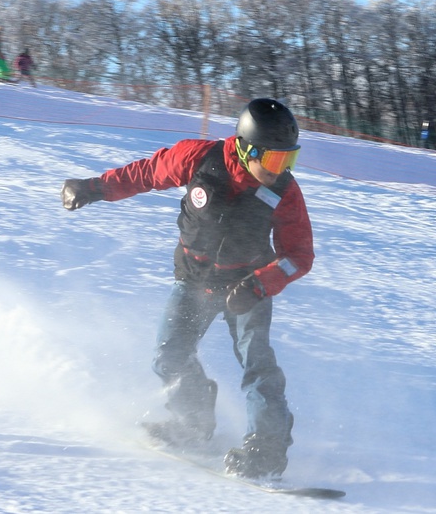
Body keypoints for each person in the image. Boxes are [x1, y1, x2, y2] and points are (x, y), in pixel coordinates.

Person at [61, 98, 314, 479]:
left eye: (289, 161)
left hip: (247, 288)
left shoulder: (285, 193)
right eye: (276, 161)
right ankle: (193, 424)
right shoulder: (199, 158)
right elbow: (144, 174)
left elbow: (299, 255)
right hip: (194, 279)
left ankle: (267, 450)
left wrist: (261, 284)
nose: (281, 171)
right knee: (169, 356)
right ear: (247, 149)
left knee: (257, 367)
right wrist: (94, 188)